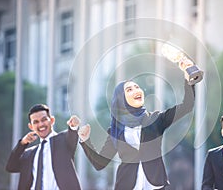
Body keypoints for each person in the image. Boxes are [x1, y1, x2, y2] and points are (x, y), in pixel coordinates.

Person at [78, 59, 197, 190]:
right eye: (129, 89)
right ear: (121, 99)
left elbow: (187, 106)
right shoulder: (115, 131)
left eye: (137, 87)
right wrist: (85, 140)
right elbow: (99, 164)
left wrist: (188, 77)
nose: (136, 90)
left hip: (156, 185)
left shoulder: (156, 119)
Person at [6, 104, 81, 190]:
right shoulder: (29, 154)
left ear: (52, 120)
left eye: (44, 119)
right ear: (31, 126)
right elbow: (11, 166)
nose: (41, 124)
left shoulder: (63, 141)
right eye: (36, 122)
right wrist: (22, 143)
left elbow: (72, 135)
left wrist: (73, 126)